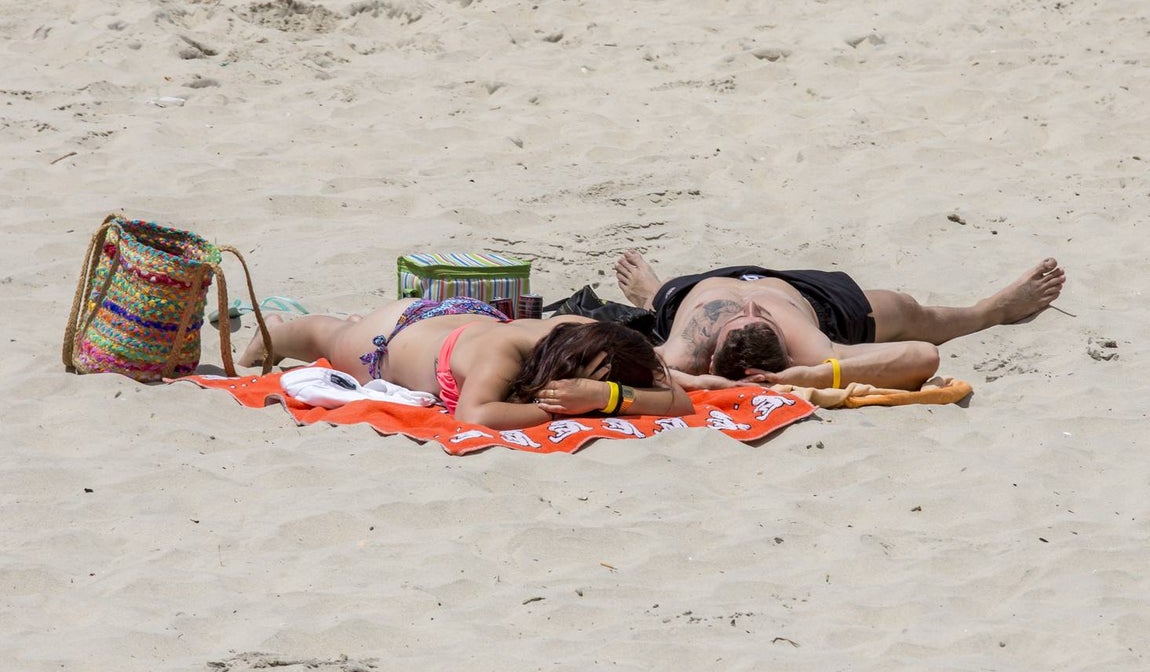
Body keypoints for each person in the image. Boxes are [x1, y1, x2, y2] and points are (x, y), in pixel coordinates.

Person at [612, 250, 1066, 391]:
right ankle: (992, 313)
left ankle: (653, 295)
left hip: (688, 292)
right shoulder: (815, 350)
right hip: (811, 300)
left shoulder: (680, 353)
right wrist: (809, 373)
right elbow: (923, 355)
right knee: (907, 312)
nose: (750, 307)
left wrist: (694, 382)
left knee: (660, 307)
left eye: (750, 316)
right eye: (758, 318)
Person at [238, 296, 693, 429]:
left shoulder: (598, 338)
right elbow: (474, 413)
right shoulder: (511, 352)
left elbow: (677, 401)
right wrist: (563, 407)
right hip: (396, 340)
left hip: (468, 321)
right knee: (328, 334)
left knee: (343, 325)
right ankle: (273, 328)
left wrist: (606, 396)